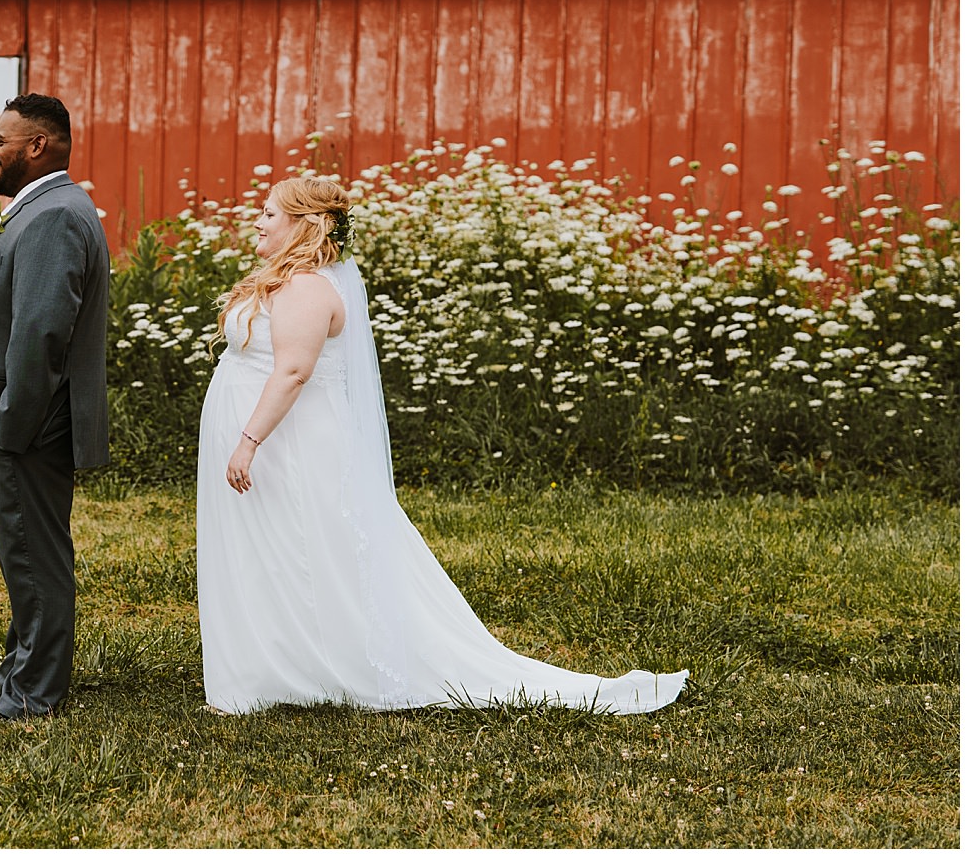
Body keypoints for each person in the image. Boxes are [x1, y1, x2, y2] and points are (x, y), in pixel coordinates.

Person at [196, 173, 688, 716]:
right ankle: (274, 670)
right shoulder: (287, 281)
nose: (259, 222)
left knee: (306, 554)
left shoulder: (310, 288)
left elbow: (291, 371)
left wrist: (247, 441)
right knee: (271, 553)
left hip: (290, 447)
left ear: (305, 224)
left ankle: (316, 669)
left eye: (269, 213)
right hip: (275, 444)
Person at [0, 94, 109, 720]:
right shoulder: (42, 209)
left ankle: (34, 693)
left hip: (26, 426)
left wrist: (8, 425)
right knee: (25, 553)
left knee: (35, 558)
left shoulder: (55, 216)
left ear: (37, 146)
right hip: (19, 422)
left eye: (1, 139)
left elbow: (42, 331)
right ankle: (17, 670)